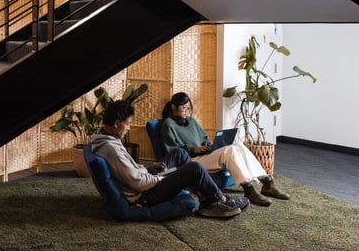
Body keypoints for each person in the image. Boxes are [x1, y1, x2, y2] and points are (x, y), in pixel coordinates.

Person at [89, 100, 248, 218]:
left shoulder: (106, 137)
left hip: (145, 180)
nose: (129, 128)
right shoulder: (111, 148)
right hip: (144, 195)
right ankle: (218, 200)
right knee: (194, 168)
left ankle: (206, 197)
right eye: (128, 124)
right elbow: (137, 182)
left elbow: (130, 170)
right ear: (117, 124)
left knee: (179, 153)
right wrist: (160, 178)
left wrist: (151, 169)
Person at [158, 91, 291, 207]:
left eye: (189, 108)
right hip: (190, 161)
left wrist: (211, 146)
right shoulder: (168, 124)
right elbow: (172, 151)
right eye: (183, 108)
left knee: (238, 145)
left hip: (204, 156)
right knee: (230, 151)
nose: (186, 112)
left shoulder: (192, 122)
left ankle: (267, 183)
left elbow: (205, 138)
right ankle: (249, 189)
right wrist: (194, 149)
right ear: (173, 107)